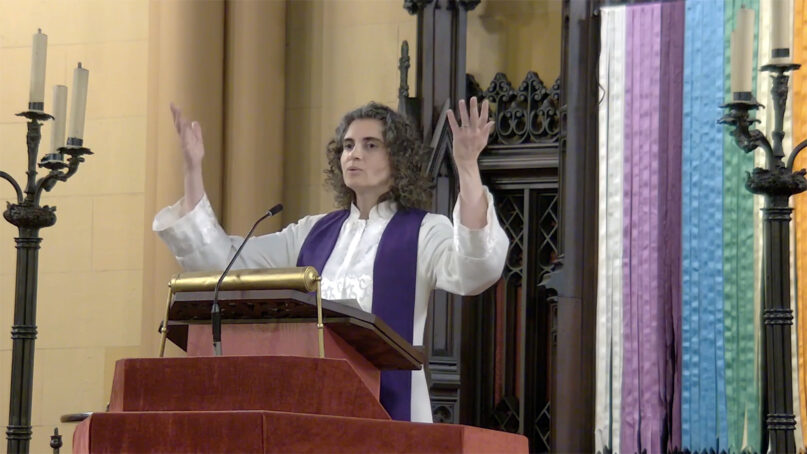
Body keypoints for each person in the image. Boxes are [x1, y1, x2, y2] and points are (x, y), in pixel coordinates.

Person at [153, 98, 509, 423]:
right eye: (348, 145)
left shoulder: (424, 231)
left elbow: (475, 268)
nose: (355, 154)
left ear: (397, 159)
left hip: (391, 410)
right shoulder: (311, 233)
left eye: (371, 145)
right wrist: (192, 171)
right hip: (311, 405)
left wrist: (466, 167)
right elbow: (225, 264)